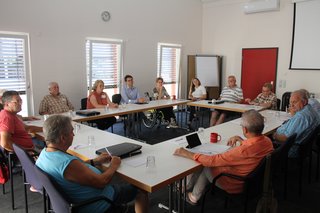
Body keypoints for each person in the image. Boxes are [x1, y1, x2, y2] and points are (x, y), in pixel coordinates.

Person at [36, 115, 148, 213]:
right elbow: (102, 182)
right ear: (63, 138)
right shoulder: (66, 163)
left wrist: (95, 161)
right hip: (98, 203)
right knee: (141, 189)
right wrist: (114, 165)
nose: (73, 135)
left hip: (75, 200)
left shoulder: (44, 155)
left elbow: (74, 170)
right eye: (71, 131)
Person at [174, 110, 273, 205]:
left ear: (245, 129)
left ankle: (192, 196)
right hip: (254, 182)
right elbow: (252, 149)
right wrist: (241, 140)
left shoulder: (241, 151)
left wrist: (186, 153)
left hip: (236, 183)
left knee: (206, 165)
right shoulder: (267, 141)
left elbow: (211, 161)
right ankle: (185, 187)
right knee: (205, 160)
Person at [273, 89, 320, 158]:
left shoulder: (301, 117)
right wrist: (294, 114)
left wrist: (274, 135)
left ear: (304, 102)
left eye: (294, 102)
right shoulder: (310, 110)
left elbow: (286, 138)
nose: (291, 105)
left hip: (289, 148)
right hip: (303, 147)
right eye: (290, 102)